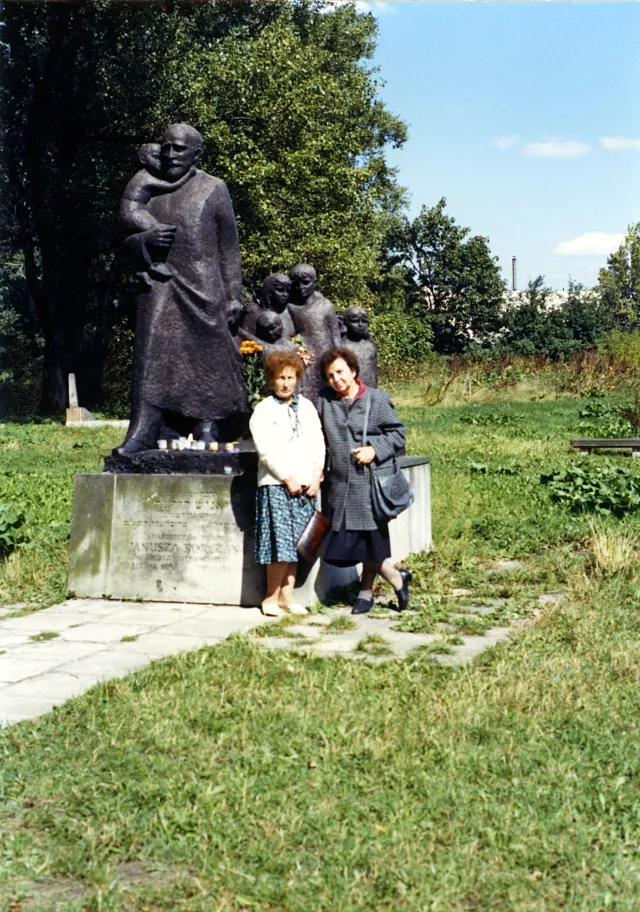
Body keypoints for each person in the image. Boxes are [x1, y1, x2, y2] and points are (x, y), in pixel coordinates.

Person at [117, 123, 247, 456]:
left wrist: (234, 296)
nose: (171, 154)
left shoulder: (213, 188)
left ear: (196, 153)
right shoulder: (150, 189)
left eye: (180, 148)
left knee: (207, 354)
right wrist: (145, 240)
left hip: (204, 285)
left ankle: (207, 424)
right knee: (152, 355)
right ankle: (146, 427)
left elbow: (229, 247)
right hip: (161, 284)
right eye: (167, 147)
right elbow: (127, 237)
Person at [317, 347, 411, 615]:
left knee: (371, 540)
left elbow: (398, 435)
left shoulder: (377, 400)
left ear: (353, 371)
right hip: (339, 488)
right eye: (330, 375)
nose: (336, 379)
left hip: (370, 487)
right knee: (348, 546)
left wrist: (373, 449)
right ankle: (395, 576)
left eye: (340, 372)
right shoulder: (325, 401)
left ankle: (365, 592)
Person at [249, 351, 326, 617]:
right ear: (271, 379)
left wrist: (316, 475)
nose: (286, 383)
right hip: (277, 485)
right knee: (279, 544)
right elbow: (266, 451)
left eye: (290, 377)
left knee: (296, 544)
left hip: (306, 486)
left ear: (297, 379)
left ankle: (287, 597)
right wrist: (287, 478)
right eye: (281, 378)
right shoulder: (263, 410)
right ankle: (270, 598)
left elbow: (318, 442)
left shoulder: (306, 407)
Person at [119, 142, 196, 287]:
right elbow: (171, 186)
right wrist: (189, 174)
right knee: (161, 232)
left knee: (157, 235)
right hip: (133, 213)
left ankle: (141, 271)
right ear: (143, 160)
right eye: (156, 157)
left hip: (134, 211)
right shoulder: (143, 177)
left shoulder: (145, 175)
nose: (161, 161)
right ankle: (153, 265)